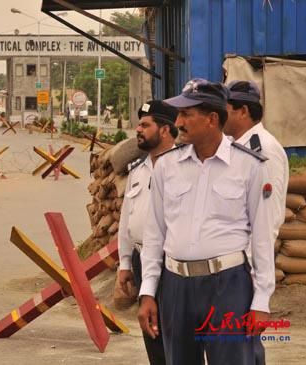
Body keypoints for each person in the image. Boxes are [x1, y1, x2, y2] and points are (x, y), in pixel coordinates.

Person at [138, 79, 275, 365]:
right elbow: (154, 234)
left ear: (212, 119)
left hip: (228, 286)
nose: (179, 122)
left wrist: (261, 300)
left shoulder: (250, 165)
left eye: (187, 114)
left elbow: (262, 237)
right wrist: (148, 291)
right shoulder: (167, 165)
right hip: (175, 287)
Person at [118, 100, 178, 365]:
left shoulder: (183, 166)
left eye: (145, 125)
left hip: (173, 262)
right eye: (138, 124)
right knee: (151, 331)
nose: (138, 130)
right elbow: (126, 217)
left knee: (176, 332)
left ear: (165, 130)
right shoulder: (138, 170)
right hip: (143, 260)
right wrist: (124, 262)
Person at [225, 80, 289, 238]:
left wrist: (250, 260)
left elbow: (269, 216)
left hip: (247, 257)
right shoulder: (233, 144)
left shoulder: (264, 149)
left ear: (243, 111)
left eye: (223, 110)